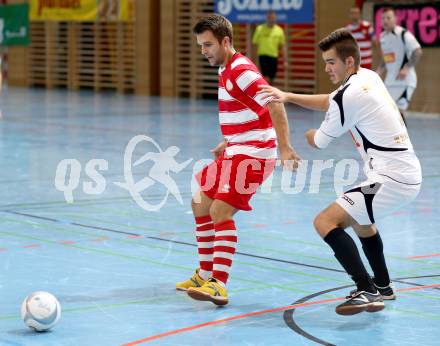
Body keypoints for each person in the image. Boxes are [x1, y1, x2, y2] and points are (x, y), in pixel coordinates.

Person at [259, 29, 422, 315]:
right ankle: (383, 286)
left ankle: (366, 290)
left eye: (331, 62)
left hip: (392, 179)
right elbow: (332, 99)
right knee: (361, 221)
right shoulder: (367, 76)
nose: (326, 68)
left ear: (348, 62)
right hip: (400, 173)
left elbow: (319, 141)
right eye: (324, 62)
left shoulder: (349, 95)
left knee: (325, 222)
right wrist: (287, 96)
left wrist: (308, 134)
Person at [176, 14, 301, 306]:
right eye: (200, 46)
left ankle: (219, 284)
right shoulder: (225, 68)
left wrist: (285, 148)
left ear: (226, 41)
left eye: (208, 45)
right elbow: (251, 109)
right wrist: (229, 140)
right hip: (237, 149)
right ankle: (204, 274)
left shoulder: (241, 69)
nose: (204, 51)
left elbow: (274, 103)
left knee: (220, 211)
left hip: (255, 155)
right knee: (199, 202)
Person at [377, 7, 422, 121]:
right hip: (390, 81)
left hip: (405, 81)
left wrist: (406, 68)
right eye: (383, 18)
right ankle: (392, 138)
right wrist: (378, 71)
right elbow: (387, 57)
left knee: (397, 115)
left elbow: (418, 51)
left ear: (395, 19)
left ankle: (402, 139)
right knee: (386, 114)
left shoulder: (403, 33)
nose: (385, 20)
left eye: (388, 17)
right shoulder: (382, 36)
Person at [252, 11, 287, 84]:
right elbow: (255, 44)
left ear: (275, 19)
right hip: (263, 56)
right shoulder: (259, 28)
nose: (271, 20)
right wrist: (253, 59)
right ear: (267, 18)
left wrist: (285, 60)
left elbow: (282, 46)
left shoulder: (279, 30)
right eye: (270, 18)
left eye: (273, 18)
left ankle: (270, 89)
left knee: (272, 77)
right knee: (264, 76)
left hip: (273, 56)